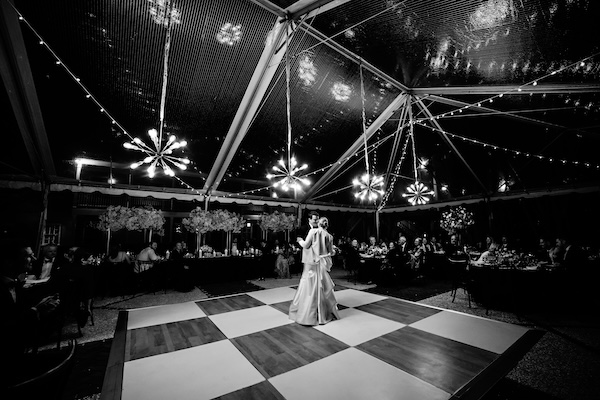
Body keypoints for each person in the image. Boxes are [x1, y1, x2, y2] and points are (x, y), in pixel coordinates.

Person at [289, 213, 339, 326]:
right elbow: (331, 252)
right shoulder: (330, 236)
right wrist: (334, 250)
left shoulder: (313, 232)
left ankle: (306, 312)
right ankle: (321, 311)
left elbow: (306, 245)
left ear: (319, 223)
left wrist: (299, 240)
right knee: (319, 285)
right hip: (320, 263)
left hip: (310, 262)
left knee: (308, 286)